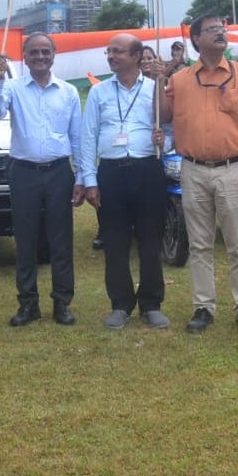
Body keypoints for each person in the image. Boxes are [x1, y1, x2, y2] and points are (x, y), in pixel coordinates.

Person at [160, 15, 238, 334]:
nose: (221, 33)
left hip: (232, 168)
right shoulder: (180, 80)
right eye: (212, 30)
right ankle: (203, 307)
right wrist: (158, 79)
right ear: (196, 39)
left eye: (222, 28)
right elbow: (164, 116)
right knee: (199, 243)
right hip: (192, 169)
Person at [0, 33, 83, 327]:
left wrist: (81, 176)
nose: (40, 57)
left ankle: (62, 303)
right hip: (24, 172)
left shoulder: (67, 92)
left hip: (58, 172)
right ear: (24, 57)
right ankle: (28, 303)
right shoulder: (12, 88)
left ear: (53, 55)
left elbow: (76, 136)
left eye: (45, 52)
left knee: (61, 240)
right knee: (25, 240)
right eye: (33, 53)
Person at [79, 33, 169, 329]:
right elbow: (88, 136)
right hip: (111, 173)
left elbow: (172, 129)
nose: (111, 56)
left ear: (136, 56)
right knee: (115, 240)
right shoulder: (99, 92)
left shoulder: (156, 89)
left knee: (150, 238)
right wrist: (90, 180)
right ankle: (120, 303)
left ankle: (151, 303)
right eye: (109, 52)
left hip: (147, 169)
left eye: (118, 52)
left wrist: (163, 141)